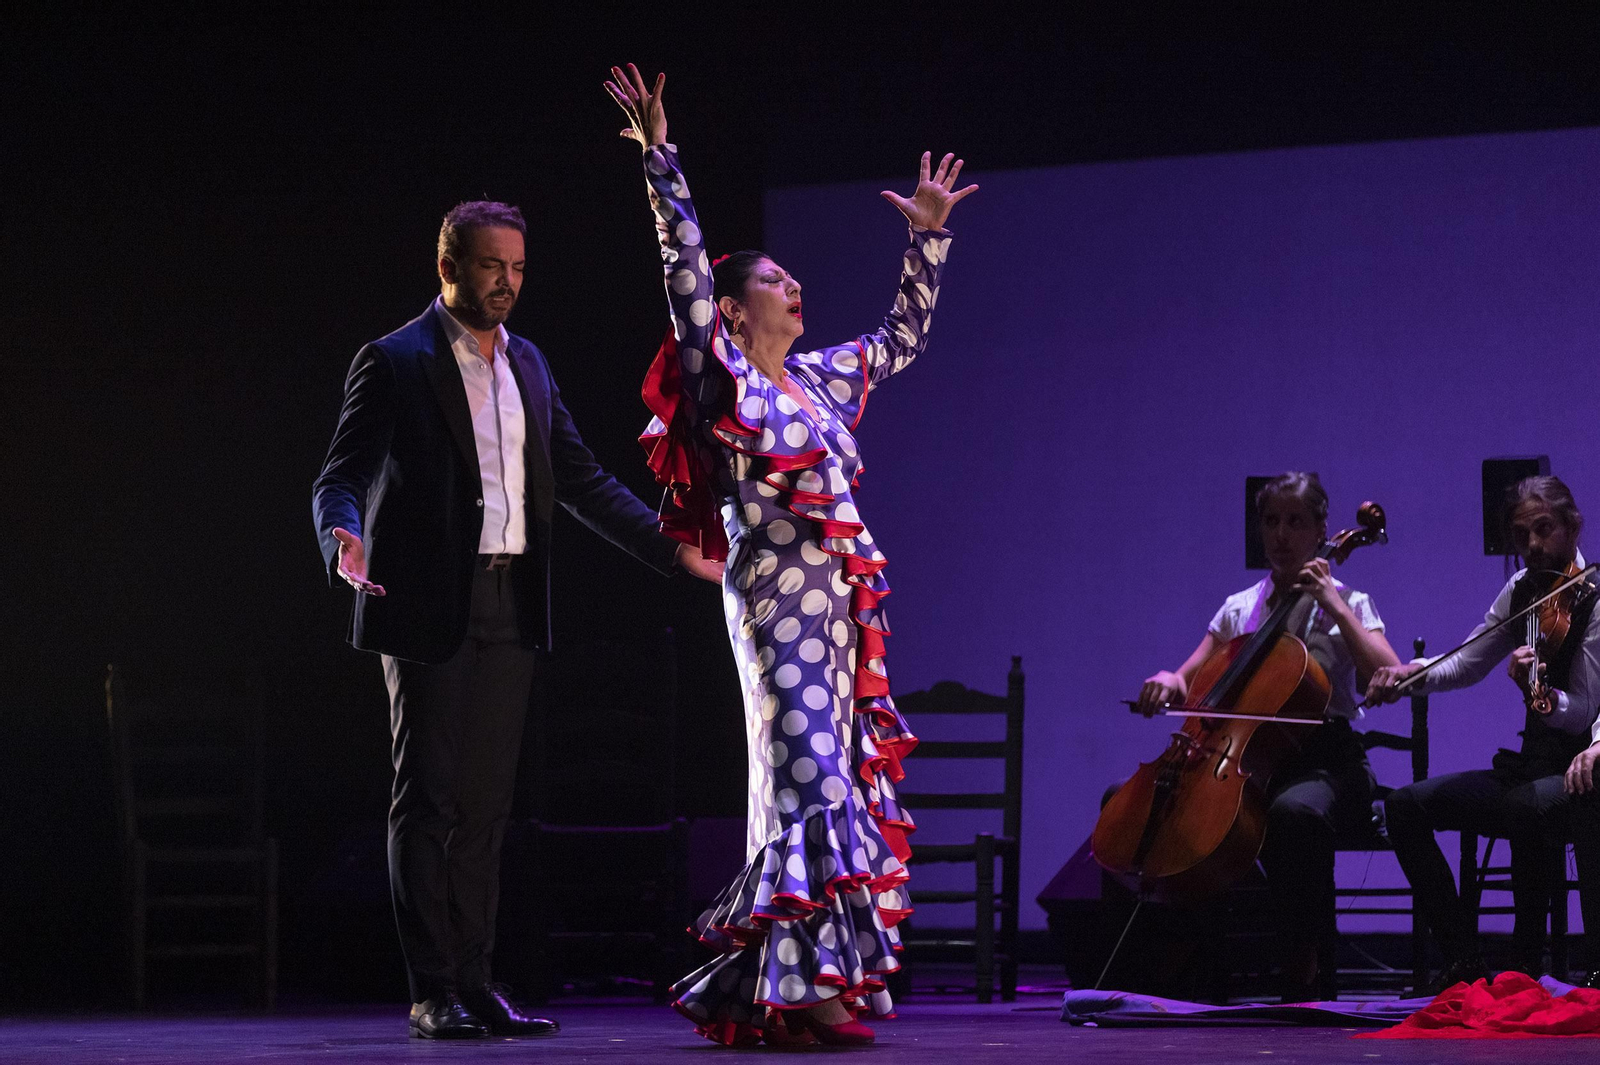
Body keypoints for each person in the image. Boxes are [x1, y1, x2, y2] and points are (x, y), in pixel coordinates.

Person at [605, 63, 976, 1047]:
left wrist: (926, 237)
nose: (791, 284)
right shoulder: (719, 378)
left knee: (824, 783)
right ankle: (805, 983)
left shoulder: (816, 380)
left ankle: (792, 983)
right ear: (732, 312)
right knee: (809, 775)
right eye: (770, 280)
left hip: (839, 614)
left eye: (787, 275)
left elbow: (900, 339)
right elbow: (684, 271)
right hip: (773, 604)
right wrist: (660, 162)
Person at [312, 198, 721, 1039]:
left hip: (510, 601)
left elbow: (579, 477)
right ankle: (432, 988)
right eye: (492, 265)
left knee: (486, 805)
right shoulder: (395, 359)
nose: (508, 282)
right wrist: (342, 537)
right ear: (449, 267)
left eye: (519, 268)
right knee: (430, 800)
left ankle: (476, 979)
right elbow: (340, 475)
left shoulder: (527, 362)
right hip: (423, 603)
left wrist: (672, 551)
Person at [1132, 472, 1401, 1001]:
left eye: (1295, 521)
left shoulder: (1350, 601)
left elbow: (1387, 673)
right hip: (1245, 759)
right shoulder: (1239, 608)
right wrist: (1169, 679)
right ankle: (1184, 969)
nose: (1280, 534)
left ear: (1321, 529)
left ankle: (1308, 971)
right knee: (1143, 801)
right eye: (1271, 521)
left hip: (1325, 758)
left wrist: (1334, 603)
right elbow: (1189, 676)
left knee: (1293, 814)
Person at [1367, 475, 1600, 989]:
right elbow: (1466, 662)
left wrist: (1538, 698)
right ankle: (1464, 959)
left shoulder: (1594, 599)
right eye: (1521, 535)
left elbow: (1584, 712)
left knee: (1524, 808)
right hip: (1528, 768)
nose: (1533, 545)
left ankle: (1524, 964)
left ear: (1572, 526)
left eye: (1544, 529)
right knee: (1405, 806)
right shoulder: (1521, 591)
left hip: (1580, 771)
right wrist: (1409, 675)